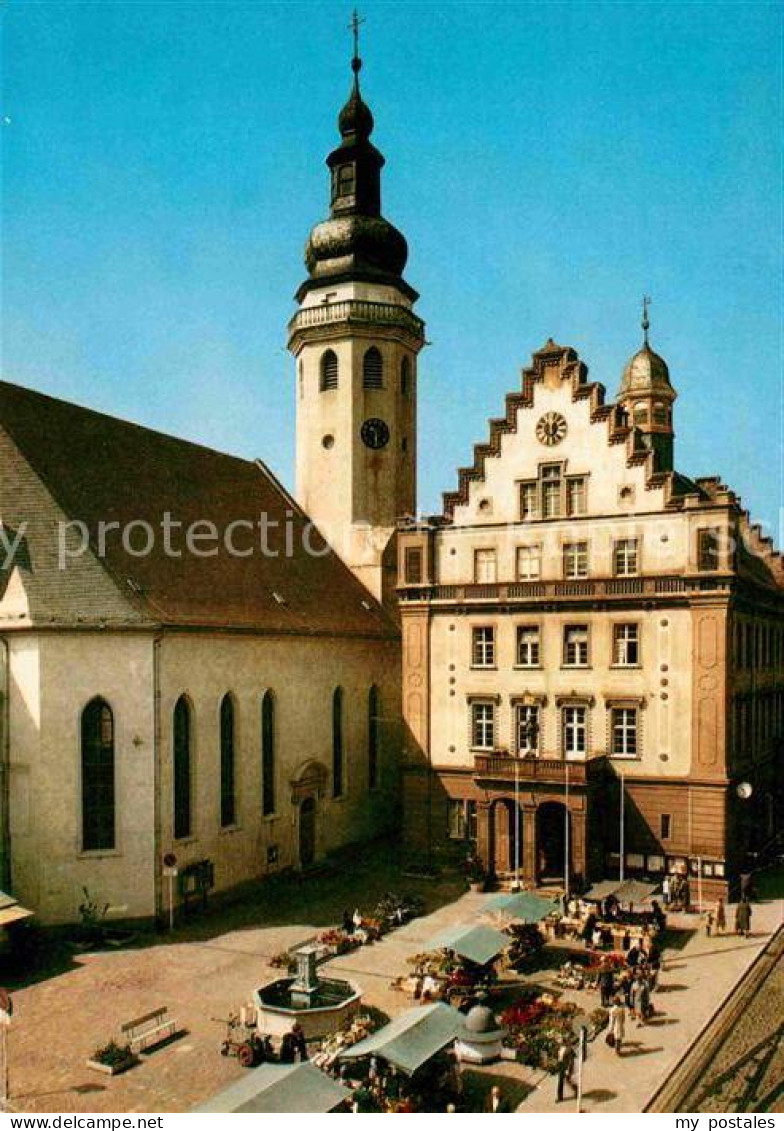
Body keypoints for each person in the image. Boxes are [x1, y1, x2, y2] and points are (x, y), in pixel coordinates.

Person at [556, 1038, 577, 1103]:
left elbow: (571, 1061)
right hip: (561, 1066)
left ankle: (576, 1089)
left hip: (566, 1067)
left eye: (561, 1042)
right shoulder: (560, 1048)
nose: (560, 1043)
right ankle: (560, 1097)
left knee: (567, 1080)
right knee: (561, 1082)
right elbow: (559, 1057)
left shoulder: (569, 1050)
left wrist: (568, 1069)